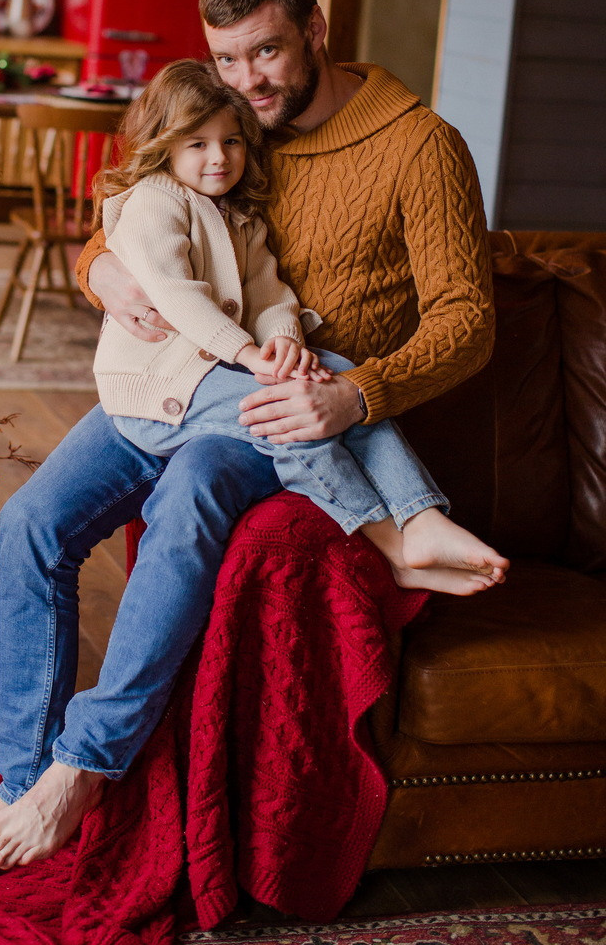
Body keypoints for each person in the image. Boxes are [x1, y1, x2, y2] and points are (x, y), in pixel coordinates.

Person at [0, 0, 499, 888]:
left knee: (195, 491)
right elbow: (139, 222)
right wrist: (101, 270)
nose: (247, 84)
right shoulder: (225, 127)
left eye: (268, 54)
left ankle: (83, 768)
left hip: (285, 411)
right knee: (33, 520)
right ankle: (19, 779)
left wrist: (355, 394)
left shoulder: (419, 145)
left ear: (316, 30)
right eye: (227, 59)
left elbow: (470, 321)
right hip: (162, 383)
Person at [93, 56, 506, 588]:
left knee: (332, 373)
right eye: (198, 144)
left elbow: (269, 290)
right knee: (288, 411)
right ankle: (394, 548)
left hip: (209, 371)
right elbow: (176, 294)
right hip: (158, 384)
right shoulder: (155, 200)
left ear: (314, 30)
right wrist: (247, 355)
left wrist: (285, 341)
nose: (219, 157)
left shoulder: (236, 211)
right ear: (165, 145)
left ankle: (421, 514)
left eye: (233, 142)